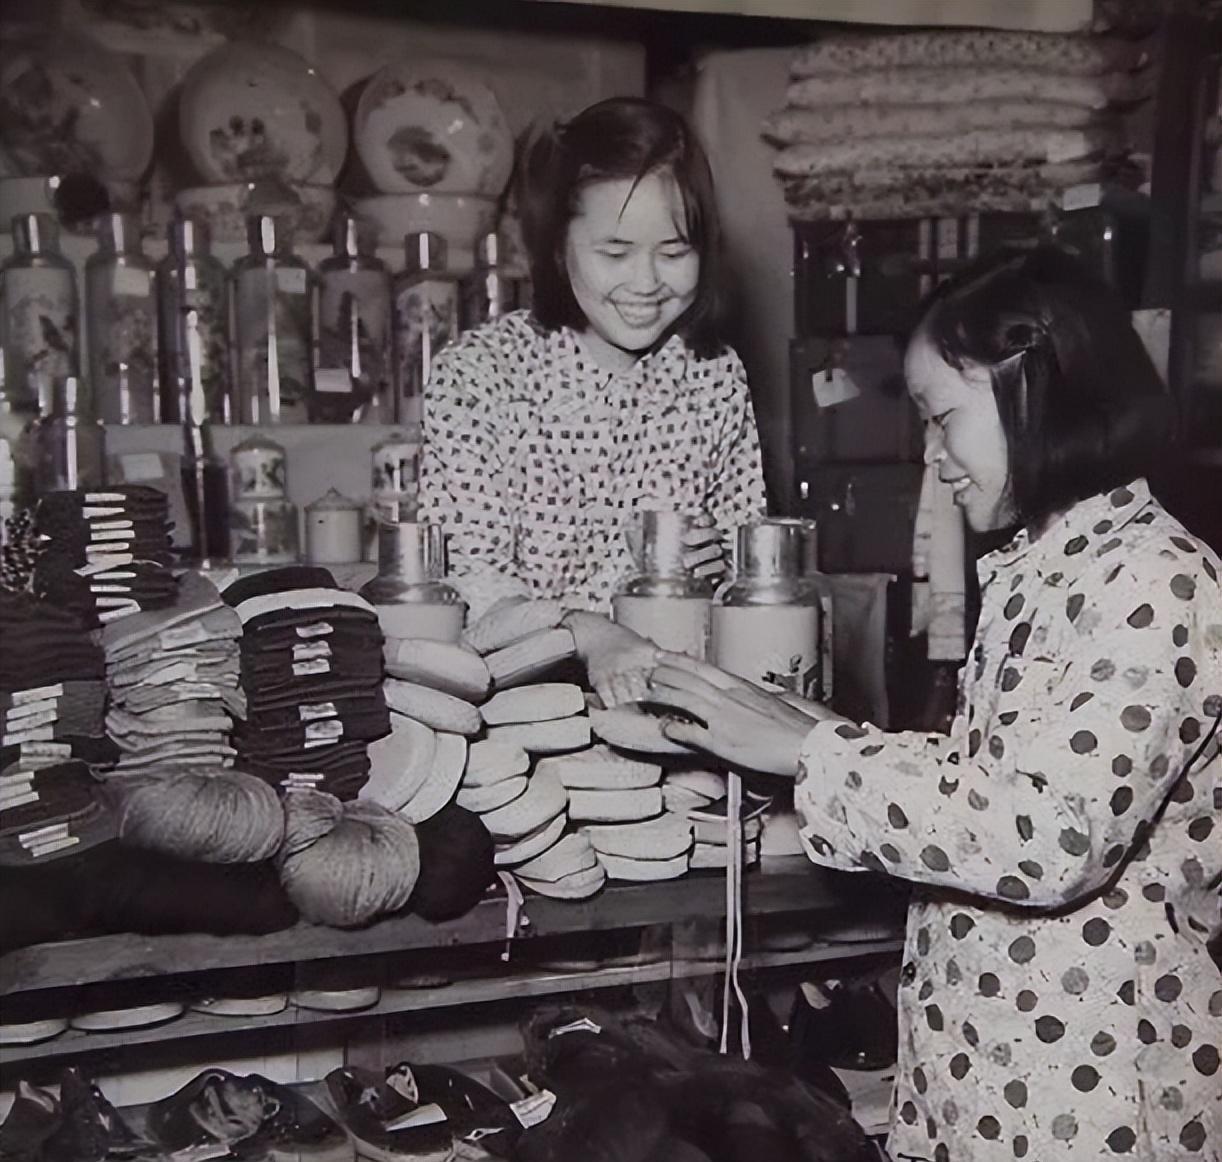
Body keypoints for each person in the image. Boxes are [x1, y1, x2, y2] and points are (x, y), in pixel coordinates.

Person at [640, 246, 1222, 1161]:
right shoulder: (1043, 567)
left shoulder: (1157, 579)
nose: (932, 455)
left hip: (1096, 1097)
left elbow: (1048, 837)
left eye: (944, 419)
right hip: (1000, 1072)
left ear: (1041, 386)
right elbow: (987, 784)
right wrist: (816, 732)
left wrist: (815, 755)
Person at [420, 97, 766, 628]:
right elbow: (470, 582)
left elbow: (752, 574)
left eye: (674, 254)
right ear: (558, 246)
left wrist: (718, 569)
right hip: (523, 694)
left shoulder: (714, 378)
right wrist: (592, 638)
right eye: (615, 253)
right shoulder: (476, 378)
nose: (647, 284)